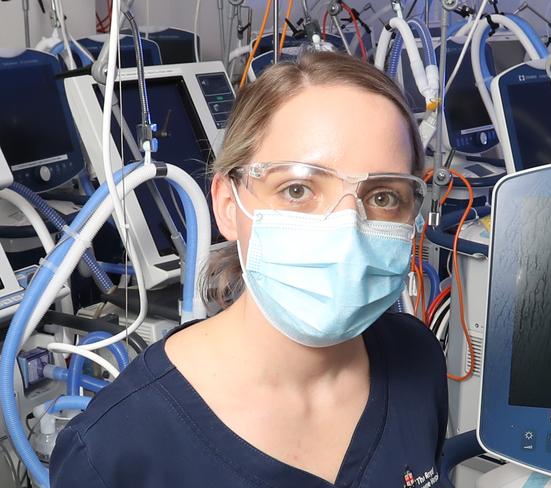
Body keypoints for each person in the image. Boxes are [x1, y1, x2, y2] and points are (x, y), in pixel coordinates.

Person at [50, 51, 448, 487]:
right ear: (226, 203)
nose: (346, 231)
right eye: (297, 188)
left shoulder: (416, 358)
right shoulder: (116, 450)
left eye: (384, 197)